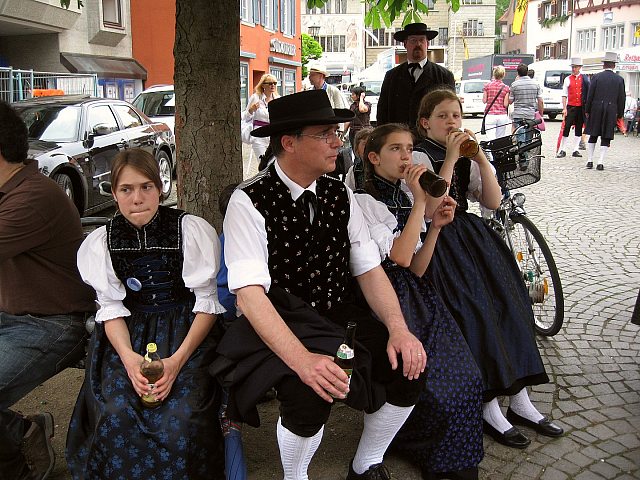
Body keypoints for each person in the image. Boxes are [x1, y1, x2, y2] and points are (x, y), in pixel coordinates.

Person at [211, 89, 427, 480]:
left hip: (337, 315)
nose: (337, 142)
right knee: (310, 389)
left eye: (337, 132)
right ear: (289, 142)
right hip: (277, 321)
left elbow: (368, 270)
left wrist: (399, 330)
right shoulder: (247, 201)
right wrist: (303, 361)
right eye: (325, 133)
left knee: (408, 365)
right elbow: (250, 296)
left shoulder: (340, 193)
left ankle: (366, 464)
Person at [413, 89, 563, 450]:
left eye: (456, 115)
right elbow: (432, 209)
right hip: (440, 239)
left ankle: (521, 397)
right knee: (475, 312)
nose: (452, 122)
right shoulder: (418, 155)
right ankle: (488, 403)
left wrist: (480, 160)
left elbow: (494, 202)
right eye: (443, 116)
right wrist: (450, 158)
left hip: (473, 237)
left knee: (514, 304)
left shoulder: (466, 154)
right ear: (425, 123)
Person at [66, 149, 226, 479]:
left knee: (183, 414)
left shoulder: (189, 230)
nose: (137, 198)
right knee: (118, 410)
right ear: (113, 193)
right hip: (127, 332)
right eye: (126, 189)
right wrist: (127, 357)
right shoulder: (102, 241)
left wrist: (176, 361)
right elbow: (110, 309)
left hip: (187, 329)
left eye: (146, 187)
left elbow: (207, 302)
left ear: (161, 188)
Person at [354, 123, 484, 480]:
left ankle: (454, 457)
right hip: (381, 297)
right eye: (396, 149)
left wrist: (437, 226)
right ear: (374, 157)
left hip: (416, 293)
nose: (406, 156)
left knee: (468, 376)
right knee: (434, 383)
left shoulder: (407, 195)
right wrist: (420, 204)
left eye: (409, 148)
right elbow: (397, 257)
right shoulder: (363, 202)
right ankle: (413, 445)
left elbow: (417, 266)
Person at [0, 100, 96, 480]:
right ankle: (21, 430)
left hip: (51, 324)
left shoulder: (32, 197)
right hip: (10, 316)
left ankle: (20, 457)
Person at [377, 23, 455, 129]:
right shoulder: (391, 76)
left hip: (431, 140)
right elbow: (382, 112)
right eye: (413, 40)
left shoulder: (444, 76)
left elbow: (451, 111)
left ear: (427, 44)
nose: (418, 44)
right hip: (399, 140)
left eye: (422, 40)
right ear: (405, 44)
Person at [584, 52, 626, 171]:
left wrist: (587, 110)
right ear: (614, 65)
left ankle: (589, 160)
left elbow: (590, 95)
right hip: (611, 109)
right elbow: (621, 98)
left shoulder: (596, 77)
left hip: (596, 108)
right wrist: (620, 114)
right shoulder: (619, 79)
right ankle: (600, 162)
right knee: (606, 136)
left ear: (604, 65)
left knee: (593, 134)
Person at [557, 57, 590, 158]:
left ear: (579, 67)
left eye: (575, 67)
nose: (573, 69)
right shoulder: (568, 79)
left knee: (579, 128)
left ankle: (575, 149)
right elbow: (564, 94)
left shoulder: (584, 79)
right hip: (571, 107)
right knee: (566, 128)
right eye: (573, 67)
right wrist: (564, 108)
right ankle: (563, 149)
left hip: (581, 107)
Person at [242, 73, 280, 160]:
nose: (273, 85)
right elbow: (246, 118)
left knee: (274, 163)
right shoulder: (255, 98)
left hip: (273, 136)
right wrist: (251, 110)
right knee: (263, 163)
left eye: (275, 83)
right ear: (263, 85)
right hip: (259, 137)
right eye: (270, 83)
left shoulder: (278, 99)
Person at [482, 65, 511, 142]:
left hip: (490, 115)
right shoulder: (506, 88)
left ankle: (490, 154)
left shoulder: (487, 86)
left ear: (494, 74)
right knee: (500, 138)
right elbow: (505, 104)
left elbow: (484, 100)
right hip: (502, 115)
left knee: (490, 138)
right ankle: (498, 153)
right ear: (503, 75)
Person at [345, 127, 373, 191]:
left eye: (371, 144)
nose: (368, 147)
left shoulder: (384, 168)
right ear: (357, 149)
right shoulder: (354, 171)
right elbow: (349, 193)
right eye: (364, 144)